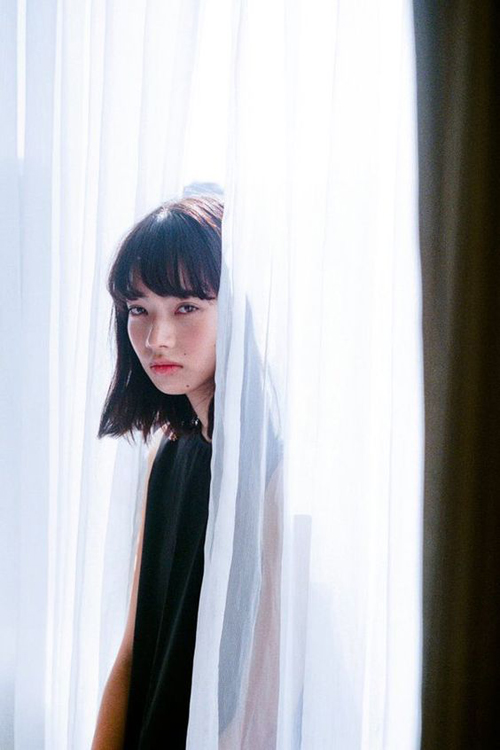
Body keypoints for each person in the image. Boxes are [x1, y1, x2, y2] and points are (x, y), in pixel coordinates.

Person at [91, 194, 223, 749]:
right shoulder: (168, 455)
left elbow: (260, 686)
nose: (156, 338)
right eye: (138, 309)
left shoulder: (270, 475)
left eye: (187, 306)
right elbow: (134, 648)